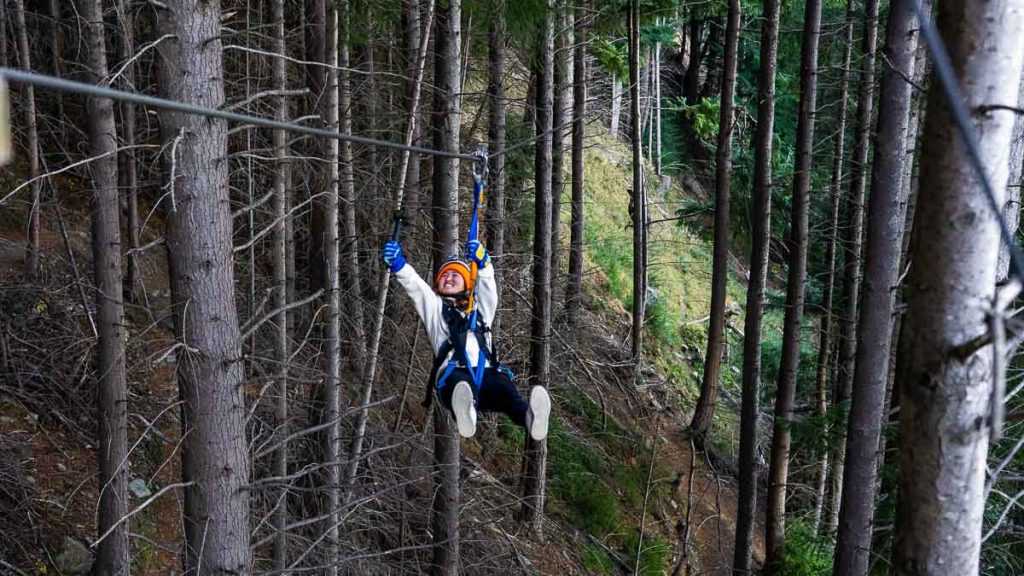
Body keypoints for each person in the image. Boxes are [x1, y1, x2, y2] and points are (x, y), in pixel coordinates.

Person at [382, 238, 550, 440]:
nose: (449, 278)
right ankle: (465, 411)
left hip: (487, 375)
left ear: (468, 284)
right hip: (453, 377)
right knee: (460, 385)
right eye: (445, 276)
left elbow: (489, 290)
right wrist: (399, 265)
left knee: (507, 392)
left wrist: (483, 264)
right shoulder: (436, 311)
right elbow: (417, 289)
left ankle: (530, 418)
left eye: (456, 275)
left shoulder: (480, 313)